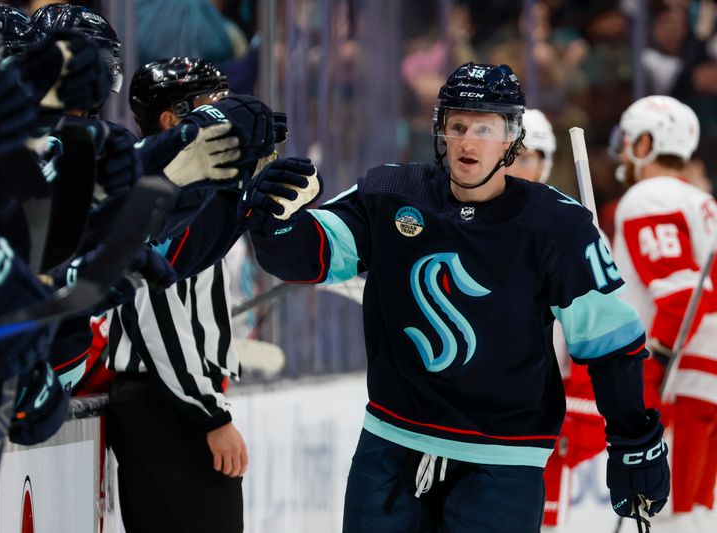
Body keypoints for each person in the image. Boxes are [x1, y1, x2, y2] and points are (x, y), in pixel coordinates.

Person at [244, 62, 670, 532]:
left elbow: (610, 342)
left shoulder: (556, 226)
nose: (468, 142)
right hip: (392, 444)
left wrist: (632, 437)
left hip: (503, 460)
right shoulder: (390, 194)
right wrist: (275, 224)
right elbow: (310, 255)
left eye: (485, 127)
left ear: (512, 138)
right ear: (440, 131)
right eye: (458, 125)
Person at [104, 57, 266, 533]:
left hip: (173, 401)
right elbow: (154, 312)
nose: (228, 116)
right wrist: (207, 415)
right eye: (213, 106)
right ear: (173, 121)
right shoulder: (153, 193)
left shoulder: (197, 192)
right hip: (167, 407)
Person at [610, 95, 717, 531]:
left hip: (681, 373)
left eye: (628, 139)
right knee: (695, 509)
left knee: (666, 511)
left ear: (646, 143)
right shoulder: (701, 200)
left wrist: (650, 367)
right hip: (705, 371)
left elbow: (681, 298)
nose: (621, 150)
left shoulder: (648, 196)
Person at [509, 108, 609, 528]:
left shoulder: (567, 228)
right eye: (515, 153)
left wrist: (583, 412)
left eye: (532, 155)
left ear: (546, 162)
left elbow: (597, 327)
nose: (520, 164)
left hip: (540, 403)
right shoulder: (461, 222)